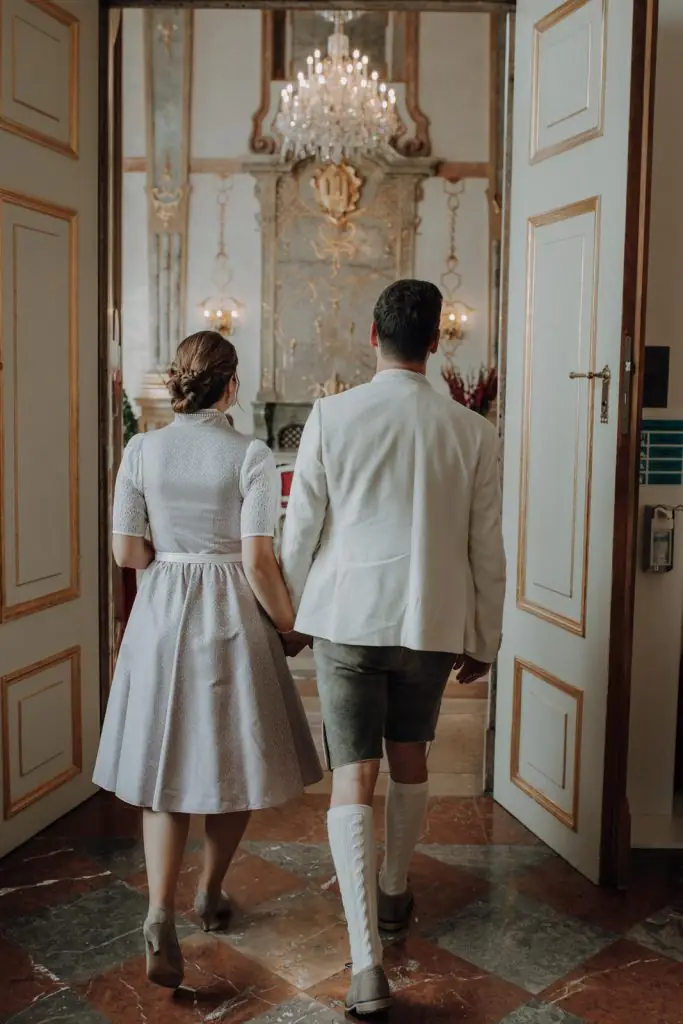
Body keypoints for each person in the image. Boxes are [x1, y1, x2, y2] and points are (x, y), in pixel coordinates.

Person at [280, 280, 506, 1016]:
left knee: (354, 778)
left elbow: (301, 528)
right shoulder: (472, 431)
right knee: (410, 760)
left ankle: (365, 965)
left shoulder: (331, 415)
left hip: (347, 618)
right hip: (430, 624)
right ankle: (394, 892)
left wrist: (286, 616)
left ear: (371, 335)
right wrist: (485, 635)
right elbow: (486, 547)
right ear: (435, 342)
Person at [93, 330, 322, 990]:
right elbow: (258, 559)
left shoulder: (141, 449)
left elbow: (126, 554)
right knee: (231, 762)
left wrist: (170, 555)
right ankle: (209, 892)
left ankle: (158, 912)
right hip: (229, 615)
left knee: (162, 770)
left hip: (161, 611)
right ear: (230, 386)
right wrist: (290, 625)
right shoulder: (250, 454)